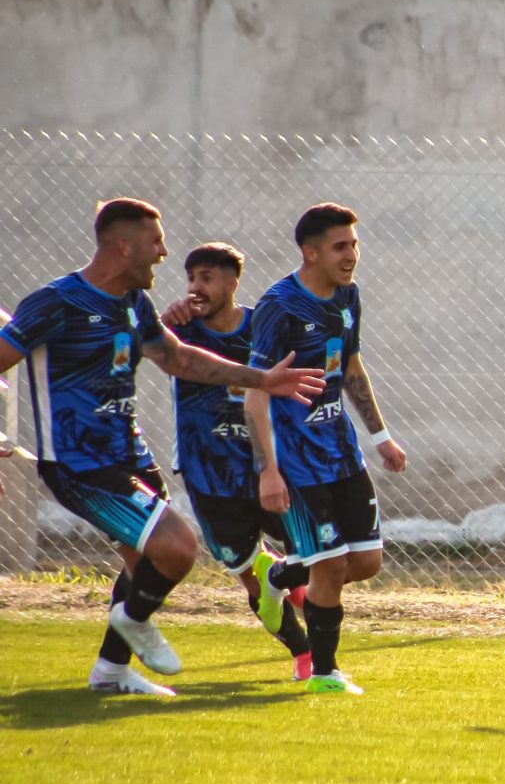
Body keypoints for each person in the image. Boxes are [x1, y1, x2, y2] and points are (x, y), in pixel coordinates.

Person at [0, 198, 324, 695]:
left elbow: (179, 359)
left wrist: (262, 378)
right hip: (78, 463)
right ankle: (135, 621)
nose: (164, 253)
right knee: (177, 549)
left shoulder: (132, 302)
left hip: (130, 454)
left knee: (141, 562)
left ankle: (110, 671)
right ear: (124, 245)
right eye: (155, 242)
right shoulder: (56, 302)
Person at [245, 203, 408, 696]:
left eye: (354, 244)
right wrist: (268, 470)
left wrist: (380, 437)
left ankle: (278, 576)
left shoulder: (348, 297)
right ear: (310, 252)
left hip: (341, 452)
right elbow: (253, 391)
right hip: (296, 464)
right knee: (331, 566)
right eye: (341, 246)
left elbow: (351, 368)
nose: (352, 254)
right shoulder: (279, 305)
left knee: (364, 563)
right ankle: (324, 674)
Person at [160, 243, 313, 680]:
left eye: (206, 277)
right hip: (208, 475)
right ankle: (304, 654)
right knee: (249, 578)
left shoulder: (262, 329)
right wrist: (161, 322)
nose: (195, 287)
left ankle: (284, 577)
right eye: (191, 278)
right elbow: (144, 347)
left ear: (232, 282)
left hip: (268, 468)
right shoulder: (180, 333)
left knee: (317, 551)